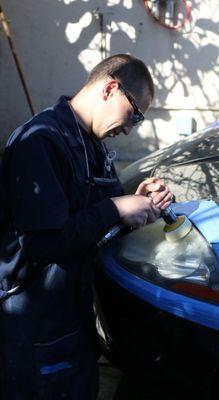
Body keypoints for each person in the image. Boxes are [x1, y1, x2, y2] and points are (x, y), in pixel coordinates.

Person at [0, 54, 173, 399]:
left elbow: (97, 223)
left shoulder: (93, 147)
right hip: (35, 327)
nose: (129, 129)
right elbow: (43, 244)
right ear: (111, 88)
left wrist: (135, 202)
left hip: (74, 320)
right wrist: (115, 207)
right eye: (135, 115)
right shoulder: (40, 141)